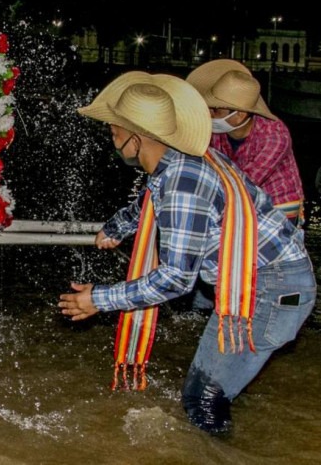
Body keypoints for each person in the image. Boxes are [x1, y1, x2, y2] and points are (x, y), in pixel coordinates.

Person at [57, 71, 316, 435]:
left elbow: (176, 278)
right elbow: (150, 198)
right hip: (267, 280)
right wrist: (117, 227)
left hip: (270, 290)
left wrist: (100, 299)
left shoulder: (183, 184)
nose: (110, 135)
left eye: (115, 128)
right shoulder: (178, 161)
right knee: (206, 391)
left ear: (138, 135)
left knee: (204, 398)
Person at [186, 59, 304, 225]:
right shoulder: (216, 132)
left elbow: (247, 180)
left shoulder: (275, 136)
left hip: (279, 206)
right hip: (238, 201)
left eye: (216, 110)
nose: (210, 115)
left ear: (239, 114)